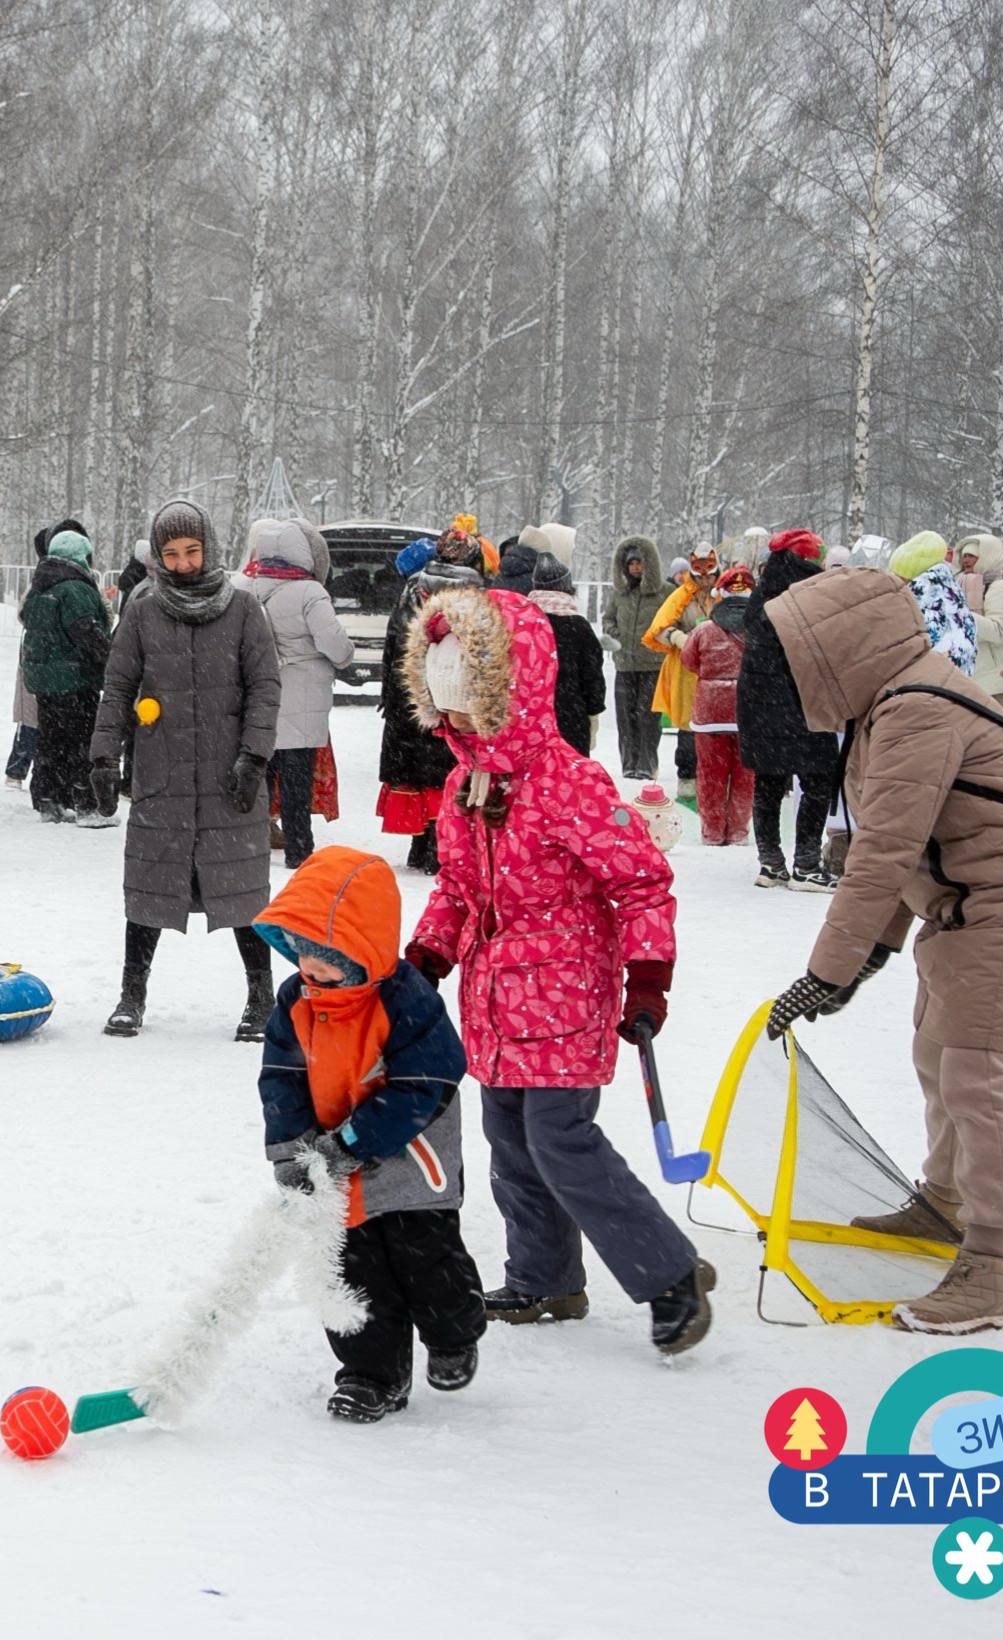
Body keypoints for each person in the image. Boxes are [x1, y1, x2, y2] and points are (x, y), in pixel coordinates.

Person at [401, 585, 713, 1355]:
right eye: (448, 711)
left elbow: (641, 883)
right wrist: (428, 955)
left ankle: (671, 1275)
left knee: (561, 1140)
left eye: (471, 706)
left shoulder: (568, 782)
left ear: (511, 692)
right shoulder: (464, 787)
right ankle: (545, 1278)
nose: (460, 725)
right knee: (510, 1141)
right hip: (494, 1001)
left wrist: (648, 975)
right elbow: (457, 889)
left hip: (565, 994)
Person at [764, 567, 1003, 1334]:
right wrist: (873, 954)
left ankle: (990, 1268)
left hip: (1002, 911)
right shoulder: (890, 703)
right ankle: (944, 1205)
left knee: (978, 1081)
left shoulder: (917, 707)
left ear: (838, 649)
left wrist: (828, 971)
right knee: (938, 1062)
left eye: (800, 655)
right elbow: (899, 849)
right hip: (959, 912)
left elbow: (884, 851)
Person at [254, 846, 483, 1422]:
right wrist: (292, 1152)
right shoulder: (296, 1000)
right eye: (303, 955)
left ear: (364, 953)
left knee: (426, 1262)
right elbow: (281, 1077)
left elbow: (425, 1084)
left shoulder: (406, 1001)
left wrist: (353, 1143)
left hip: (413, 1161)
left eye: (327, 961)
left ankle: (453, 1334)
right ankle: (370, 1374)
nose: (311, 972)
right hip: (334, 1165)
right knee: (351, 1272)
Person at [87, 499, 280, 1040]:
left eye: (192, 551)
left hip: (229, 775)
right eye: (170, 554)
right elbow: (117, 687)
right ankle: (131, 996)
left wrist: (254, 756)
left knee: (243, 890)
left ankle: (261, 997)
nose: (182, 563)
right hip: (163, 772)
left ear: (209, 548)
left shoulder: (244, 609)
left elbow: (265, 688)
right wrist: (104, 755)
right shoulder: (143, 611)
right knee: (149, 884)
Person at [244, 517, 352, 867]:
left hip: (259, 698)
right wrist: (345, 656)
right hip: (302, 700)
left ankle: (253, 843)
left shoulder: (246, 588)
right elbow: (336, 645)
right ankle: (298, 849)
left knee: (261, 774)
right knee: (296, 781)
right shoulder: (309, 592)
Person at [740, 528, 841, 891]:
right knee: (818, 779)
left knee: (768, 782)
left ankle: (770, 865)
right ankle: (807, 865)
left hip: (760, 703)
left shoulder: (764, 590)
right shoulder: (810, 593)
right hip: (802, 702)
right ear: (808, 559)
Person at [377, 549, 477, 873]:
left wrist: (389, 696)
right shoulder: (463, 606)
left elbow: (391, 650)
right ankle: (437, 849)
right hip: (444, 701)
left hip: (406, 701)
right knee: (443, 778)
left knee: (418, 779)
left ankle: (419, 846)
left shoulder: (409, 596)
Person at [18, 528, 114, 825]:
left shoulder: (41, 587)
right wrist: (110, 656)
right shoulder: (76, 589)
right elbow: (86, 630)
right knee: (81, 741)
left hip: (45, 680)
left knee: (51, 739)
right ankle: (86, 804)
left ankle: (49, 799)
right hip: (75, 679)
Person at [677, 565, 756, 846]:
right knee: (744, 775)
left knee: (711, 774)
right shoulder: (759, 629)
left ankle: (712, 830)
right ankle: (738, 831)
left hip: (710, 713)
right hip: (747, 711)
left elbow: (688, 661)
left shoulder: (704, 630)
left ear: (719, 595)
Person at [4, 519, 82, 788]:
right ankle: (19, 771)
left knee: (36, 720)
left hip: (41, 659)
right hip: (45, 660)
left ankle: (23, 771)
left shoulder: (48, 576)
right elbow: (24, 612)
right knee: (34, 720)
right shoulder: (49, 577)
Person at [644, 546, 718, 797]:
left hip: (717, 670)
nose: (705, 579)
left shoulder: (723, 595)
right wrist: (678, 637)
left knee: (716, 730)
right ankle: (687, 783)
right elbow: (659, 628)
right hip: (687, 671)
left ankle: (713, 786)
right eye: (700, 574)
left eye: (710, 574)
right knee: (688, 730)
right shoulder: (681, 596)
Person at [527, 549, 606, 756]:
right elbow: (592, 675)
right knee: (570, 771)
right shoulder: (578, 626)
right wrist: (593, 710)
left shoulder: (524, 624)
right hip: (571, 716)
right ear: (566, 586)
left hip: (530, 717)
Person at [604, 536, 666, 780]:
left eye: (639, 562)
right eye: (631, 563)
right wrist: (615, 634)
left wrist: (660, 638)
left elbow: (674, 621)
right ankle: (629, 764)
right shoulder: (620, 594)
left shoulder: (665, 592)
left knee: (648, 718)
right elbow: (608, 619)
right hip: (624, 665)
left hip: (652, 665)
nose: (635, 567)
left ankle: (647, 765)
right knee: (625, 718)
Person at [954, 534, 1003, 710]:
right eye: (964, 555)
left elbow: (998, 631)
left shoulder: (1000, 588)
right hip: (974, 682)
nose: (966, 560)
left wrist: (963, 615)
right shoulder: (962, 585)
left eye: (972, 555)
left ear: (987, 556)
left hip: (997, 683)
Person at [890, 531, 978, 672]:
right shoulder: (949, 587)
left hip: (932, 677)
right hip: (959, 676)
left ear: (909, 572)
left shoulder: (922, 593)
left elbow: (907, 643)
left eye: (898, 575)